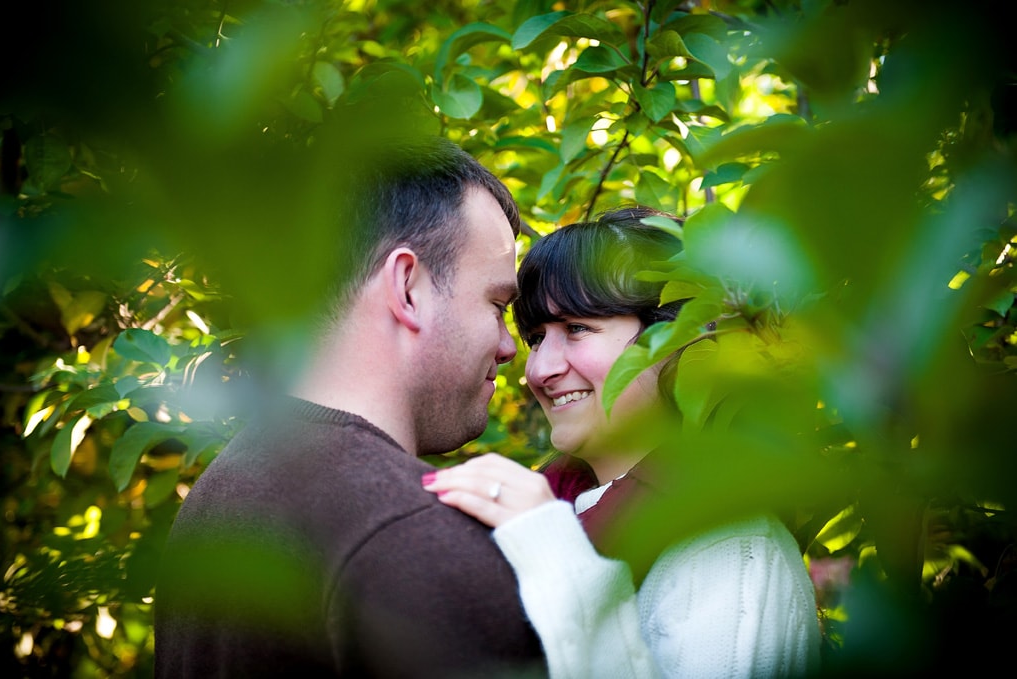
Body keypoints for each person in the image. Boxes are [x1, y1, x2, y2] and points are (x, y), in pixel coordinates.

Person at [154, 136, 546, 678]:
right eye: (497, 305)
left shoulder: (221, 491)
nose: (509, 347)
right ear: (407, 288)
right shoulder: (416, 540)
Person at [423, 207, 822, 678]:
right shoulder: (558, 506)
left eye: (577, 328)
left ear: (677, 340)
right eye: (535, 338)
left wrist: (556, 556)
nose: (539, 370)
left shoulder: (726, 545)